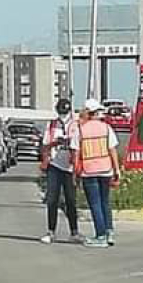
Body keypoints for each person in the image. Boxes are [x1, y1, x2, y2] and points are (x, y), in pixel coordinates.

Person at [72, 98, 122, 248]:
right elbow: (112, 150)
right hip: (106, 169)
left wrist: (75, 174)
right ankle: (109, 232)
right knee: (105, 202)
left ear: (87, 113)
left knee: (95, 203)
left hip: (89, 171)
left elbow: (76, 153)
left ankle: (100, 236)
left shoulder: (80, 130)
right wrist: (117, 170)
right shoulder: (106, 128)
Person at [39, 98, 81, 244]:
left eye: (65, 112)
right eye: (61, 112)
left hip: (70, 167)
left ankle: (74, 232)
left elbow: (80, 144)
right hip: (54, 165)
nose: (63, 115)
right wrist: (55, 143)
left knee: (70, 200)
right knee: (52, 200)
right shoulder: (52, 125)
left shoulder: (76, 124)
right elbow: (44, 146)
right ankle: (51, 232)